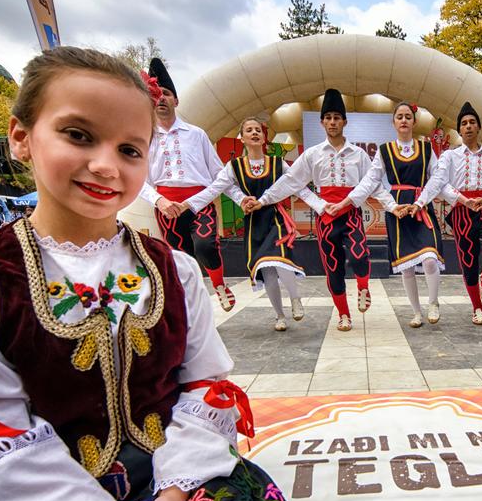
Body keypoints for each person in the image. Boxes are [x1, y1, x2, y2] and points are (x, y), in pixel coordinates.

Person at [0, 47, 355, 501]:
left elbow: (205, 387)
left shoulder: (172, 270)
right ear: (21, 136)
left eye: (129, 149)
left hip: (181, 478)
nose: (104, 166)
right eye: (77, 134)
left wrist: (173, 491)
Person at [256, 89, 373, 332]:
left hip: (351, 214)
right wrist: (265, 199)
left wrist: (351, 201)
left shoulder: (359, 154)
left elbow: (371, 182)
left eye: (337, 117)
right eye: (328, 117)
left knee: (359, 256)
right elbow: (292, 182)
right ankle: (344, 315)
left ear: (344, 121)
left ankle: (363, 285)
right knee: (333, 267)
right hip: (326, 218)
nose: (332, 122)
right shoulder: (313, 154)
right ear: (322, 122)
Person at [184, 118, 310, 331]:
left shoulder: (278, 163)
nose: (254, 133)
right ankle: (279, 315)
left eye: (258, 130)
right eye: (249, 130)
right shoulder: (234, 166)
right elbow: (216, 188)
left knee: (279, 261)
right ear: (241, 138)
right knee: (266, 269)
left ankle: (295, 299)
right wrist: (189, 204)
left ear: (264, 137)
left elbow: (297, 185)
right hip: (253, 222)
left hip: (274, 219)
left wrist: (321, 205)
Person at [138, 58, 235, 311]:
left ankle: (219, 284)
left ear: (176, 100)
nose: (161, 99)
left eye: (166, 94)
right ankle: (193, 307)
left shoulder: (196, 134)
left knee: (205, 245)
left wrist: (240, 198)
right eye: (156, 95)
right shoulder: (144, 138)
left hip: (199, 203)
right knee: (182, 260)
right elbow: (140, 181)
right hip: (167, 206)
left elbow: (219, 173)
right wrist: (160, 201)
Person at [347, 102, 445, 327]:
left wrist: (421, 202)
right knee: (407, 265)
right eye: (399, 116)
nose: (403, 120)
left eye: (407, 116)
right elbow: (372, 180)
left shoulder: (426, 149)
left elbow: (438, 177)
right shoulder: (384, 151)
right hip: (399, 210)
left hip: (421, 208)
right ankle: (416, 312)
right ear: (393, 122)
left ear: (414, 122)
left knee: (430, 258)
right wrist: (391, 206)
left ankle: (433, 302)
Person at [415, 102, 482, 325]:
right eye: (464, 123)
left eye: (472, 122)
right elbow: (441, 183)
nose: (468, 126)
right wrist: (462, 199)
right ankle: (477, 308)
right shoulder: (449, 156)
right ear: (459, 129)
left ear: (479, 127)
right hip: (461, 211)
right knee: (468, 261)